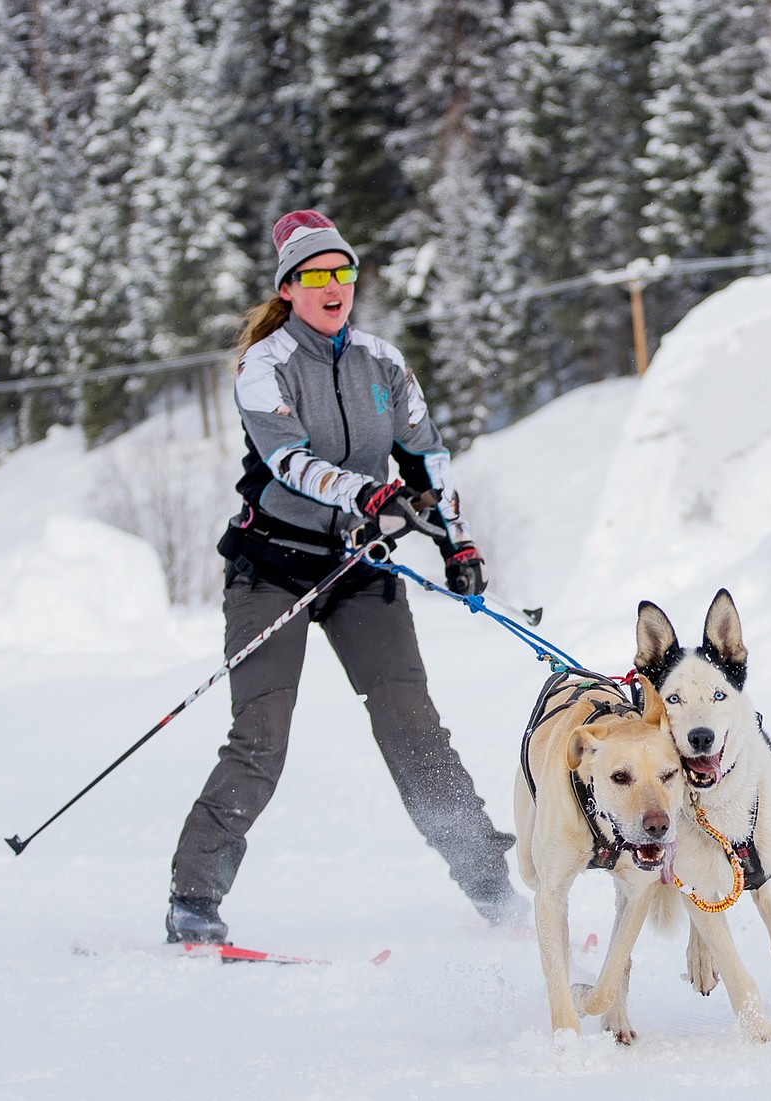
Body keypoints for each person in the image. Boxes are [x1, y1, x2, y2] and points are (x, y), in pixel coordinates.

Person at [166, 210, 528, 943]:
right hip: (272, 565)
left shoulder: (383, 363)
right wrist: (363, 492)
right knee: (261, 735)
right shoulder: (265, 365)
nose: (334, 286)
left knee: (414, 727)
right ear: (290, 288)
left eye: (344, 272)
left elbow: (426, 457)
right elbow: (288, 460)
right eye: (317, 275)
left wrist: (456, 543)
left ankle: (495, 894)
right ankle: (193, 902)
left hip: (359, 565)